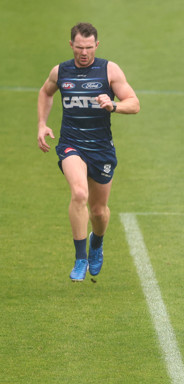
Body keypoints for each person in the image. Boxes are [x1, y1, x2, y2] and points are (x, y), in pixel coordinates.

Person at [37, 22, 140, 282]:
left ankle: (97, 243)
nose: (84, 53)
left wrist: (113, 105)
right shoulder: (60, 71)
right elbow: (45, 92)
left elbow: (134, 104)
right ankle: (80, 257)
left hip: (102, 148)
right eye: (79, 48)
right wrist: (42, 123)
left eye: (89, 47)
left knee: (98, 211)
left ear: (97, 45)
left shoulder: (109, 70)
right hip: (71, 144)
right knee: (79, 193)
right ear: (71, 45)